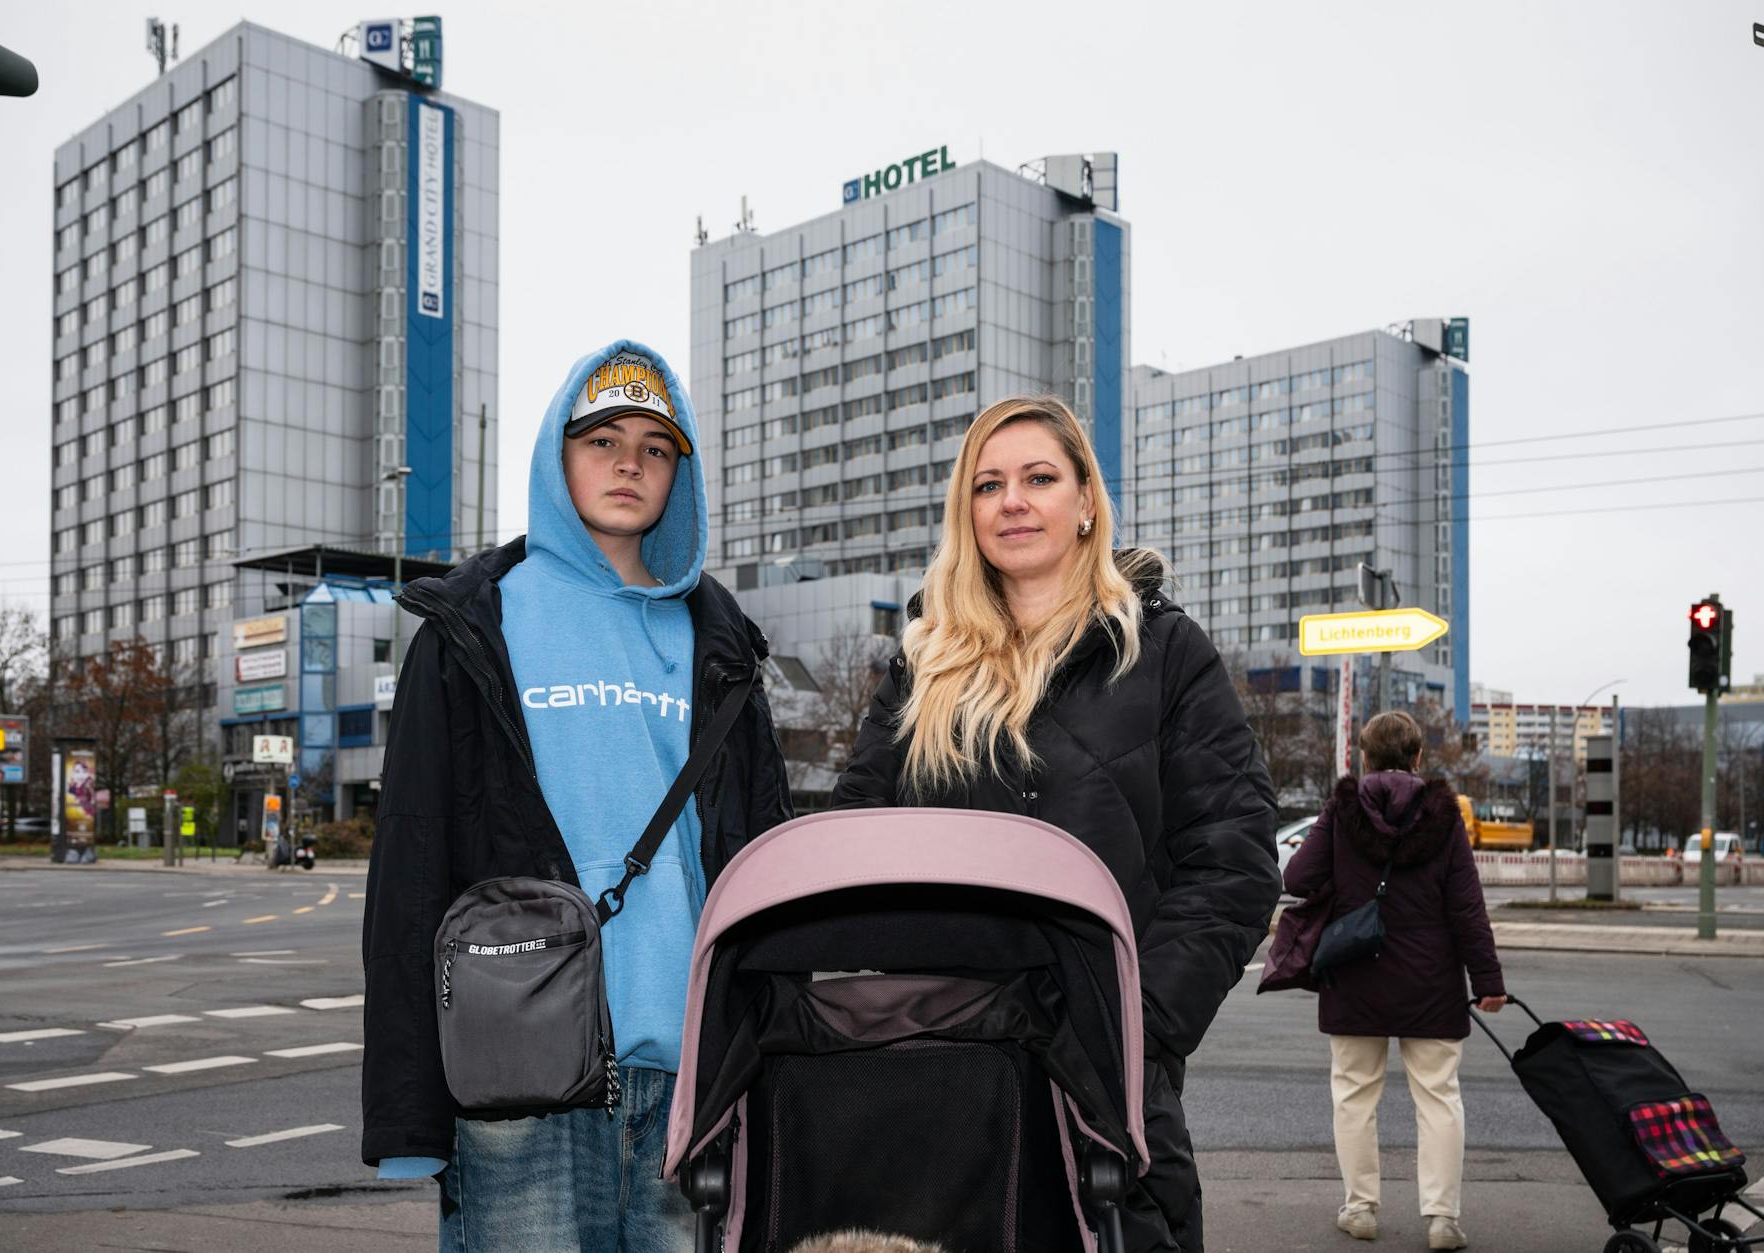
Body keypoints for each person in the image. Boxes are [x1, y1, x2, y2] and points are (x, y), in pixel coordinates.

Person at [361, 340, 792, 1252]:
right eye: (601, 438)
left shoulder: (724, 642)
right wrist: (408, 1116)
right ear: (557, 455)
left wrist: (775, 1067)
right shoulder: (476, 622)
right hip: (519, 1071)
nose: (629, 462)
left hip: (690, 1074)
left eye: (655, 445)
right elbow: (411, 863)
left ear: (684, 473)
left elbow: (764, 863)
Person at [831, 395, 1281, 1253]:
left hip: (1108, 1082)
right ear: (966, 512)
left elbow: (1235, 862)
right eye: (988, 484)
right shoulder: (921, 666)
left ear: (1085, 504)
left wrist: (1135, 1024)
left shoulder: (1166, 654)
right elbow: (851, 844)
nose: (1013, 500)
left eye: (1040, 477)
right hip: (937, 1070)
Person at [1282, 710, 1506, 1251]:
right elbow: (1467, 907)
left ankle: (1360, 1208)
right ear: (1418, 756)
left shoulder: (1341, 810)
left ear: (1364, 756)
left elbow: (1297, 877)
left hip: (1356, 970)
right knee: (1439, 1097)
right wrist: (1488, 978)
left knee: (1355, 1096)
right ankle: (1441, 1219)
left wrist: (1333, 844)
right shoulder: (1445, 816)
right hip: (1430, 979)